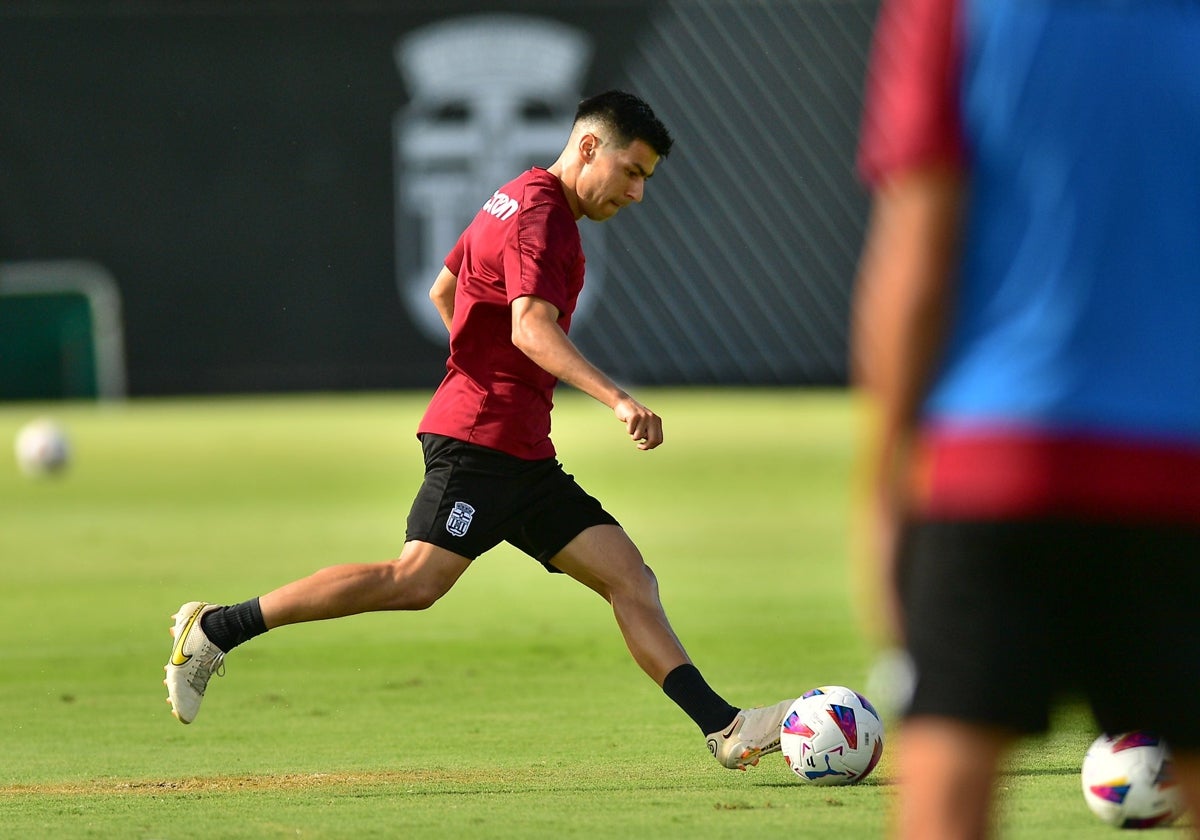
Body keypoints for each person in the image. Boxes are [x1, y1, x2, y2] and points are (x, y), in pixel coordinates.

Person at [163, 89, 790, 770]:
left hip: (519, 452)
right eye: (632, 172)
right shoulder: (543, 220)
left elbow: (445, 289)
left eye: (646, 179)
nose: (638, 193)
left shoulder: (514, 195)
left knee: (630, 577)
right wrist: (614, 398)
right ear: (588, 149)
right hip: (480, 447)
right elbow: (528, 325)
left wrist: (481, 368)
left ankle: (725, 729)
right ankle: (216, 628)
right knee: (413, 581)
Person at [852, 0, 1200, 837]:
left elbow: (918, 259)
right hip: (1180, 464)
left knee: (946, 798)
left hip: (995, 458)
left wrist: (886, 476)